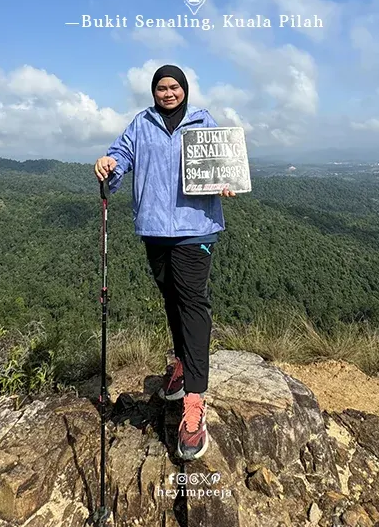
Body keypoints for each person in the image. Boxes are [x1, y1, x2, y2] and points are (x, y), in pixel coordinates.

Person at [93, 64, 235, 461]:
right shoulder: (141, 124)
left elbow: (223, 163)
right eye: (161, 87)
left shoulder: (204, 122)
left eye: (174, 87)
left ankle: (194, 401)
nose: (168, 93)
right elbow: (121, 154)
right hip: (155, 228)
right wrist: (109, 164)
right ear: (153, 92)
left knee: (192, 304)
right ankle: (180, 364)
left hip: (196, 227)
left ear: (185, 89)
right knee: (171, 297)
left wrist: (228, 181)